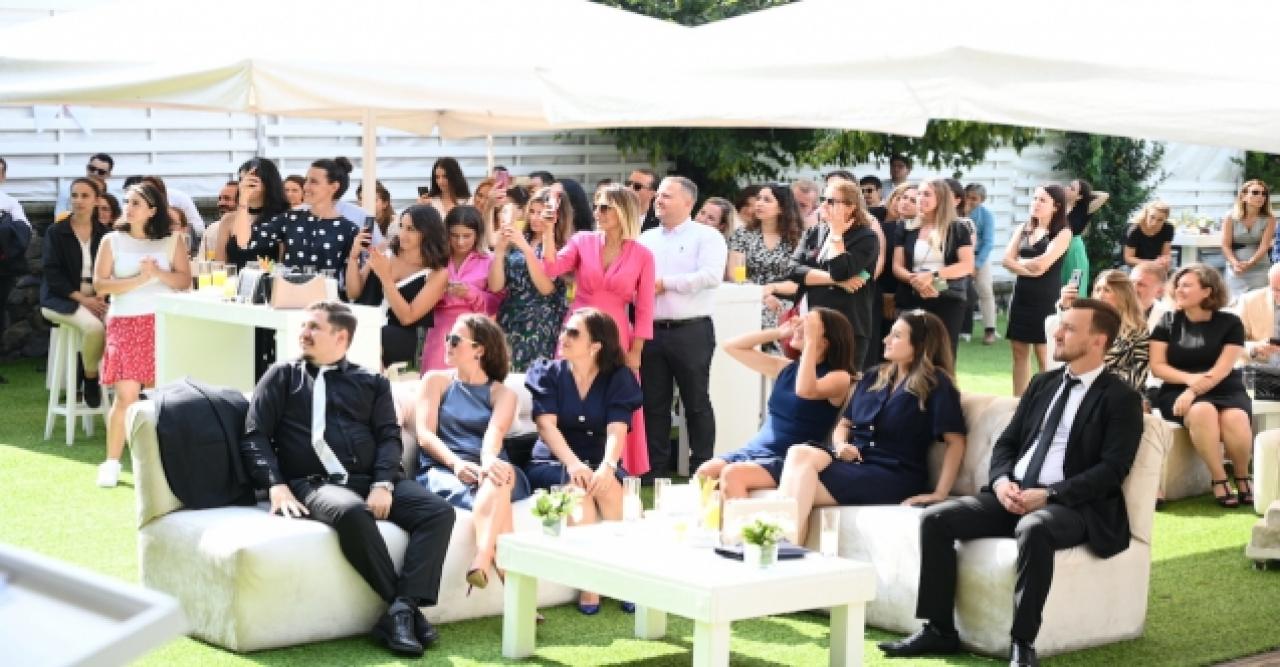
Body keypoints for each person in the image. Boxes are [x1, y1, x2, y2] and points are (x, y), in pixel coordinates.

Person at [879, 299, 1143, 667]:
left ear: (1098, 340)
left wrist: (1049, 495)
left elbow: (1112, 470)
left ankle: (1022, 642)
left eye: (1069, 328)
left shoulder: (1121, 398)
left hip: (1073, 505)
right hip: (1012, 494)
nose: (1057, 333)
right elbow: (1007, 443)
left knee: (1035, 528)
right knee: (936, 519)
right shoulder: (1043, 383)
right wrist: (1002, 482)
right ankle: (939, 629)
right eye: (1060, 325)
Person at [239, 301, 455, 657]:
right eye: (304, 325)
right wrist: (276, 485)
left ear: (341, 337)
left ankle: (401, 610)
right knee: (354, 513)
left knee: (438, 512)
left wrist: (383, 483)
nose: (304, 333)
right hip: (314, 482)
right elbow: (254, 435)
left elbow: (389, 437)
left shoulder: (372, 382)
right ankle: (404, 611)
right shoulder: (282, 376)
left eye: (314, 327)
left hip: (370, 479)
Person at [777, 309, 965, 545]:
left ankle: (782, 551)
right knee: (798, 454)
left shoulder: (937, 384)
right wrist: (840, 445)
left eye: (897, 336)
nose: (886, 340)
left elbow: (956, 441)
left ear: (920, 345)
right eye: (890, 333)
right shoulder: (874, 376)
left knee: (795, 490)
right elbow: (844, 423)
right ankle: (787, 549)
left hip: (892, 474)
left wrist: (940, 493)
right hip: (852, 463)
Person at [523, 308, 643, 614]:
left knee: (610, 488)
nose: (564, 336)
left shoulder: (618, 377)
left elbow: (617, 428)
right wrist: (574, 465)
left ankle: (624, 576)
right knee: (579, 494)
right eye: (565, 330)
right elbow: (546, 426)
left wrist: (608, 466)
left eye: (574, 333)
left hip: (598, 460)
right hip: (554, 462)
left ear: (595, 346)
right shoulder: (547, 372)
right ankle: (591, 585)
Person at [543, 184, 654, 476]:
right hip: (578, 327)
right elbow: (552, 269)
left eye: (605, 207)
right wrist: (548, 232)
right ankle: (566, 459)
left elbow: (645, 307)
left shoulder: (643, 255)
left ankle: (617, 463)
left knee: (615, 394)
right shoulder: (582, 240)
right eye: (596, 206)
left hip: (616, 333)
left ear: (623, 211)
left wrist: (637, 350)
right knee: (568, 388)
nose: (597, 212)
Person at [414, 314, 530, 591]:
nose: (447, 344)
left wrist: (487, 461)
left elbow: (495, 433)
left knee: (499, 476)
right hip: (444, 469)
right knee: (499, 491)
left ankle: (482, 557)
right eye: (448, 338)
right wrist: (457, 465)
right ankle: (515, 592)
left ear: (479, 349)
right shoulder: (435, 381)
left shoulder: (503, 394)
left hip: (490, 466)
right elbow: (424, 435)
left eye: (455, 340)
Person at [694, 308, 855, 499]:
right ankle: (721, 519)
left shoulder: (839, 377)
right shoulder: (786, 368)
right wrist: (780, 332)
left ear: (825, 341)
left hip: (788, 457)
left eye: (808, 325)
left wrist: (811, 342)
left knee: (733, 475)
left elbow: (805, 390)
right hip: (755, 450)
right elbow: (731, 346)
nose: (800, 326)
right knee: (705, 472)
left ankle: (746, 520)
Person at [92, 182, 191, 487]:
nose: (129, 208)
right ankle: (111, 463)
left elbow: (184, 281)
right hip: (124, 322)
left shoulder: (172, 240)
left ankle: (157, 463)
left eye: (136, 203)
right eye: (127, 202)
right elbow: (100, 285)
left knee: (157, 397)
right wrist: (139, 279)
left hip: (160, 322)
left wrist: (157, 274)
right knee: (126, 396)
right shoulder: (111, 240)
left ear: (152, 210)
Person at [638, 176, 726, 476]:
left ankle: (703, 467)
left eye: (667, 196)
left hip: (691, 330)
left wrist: (667, 284)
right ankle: (655, 469)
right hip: (651, 330)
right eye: (658, 195)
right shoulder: (646, 238)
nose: (658, 201)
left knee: (696, 402)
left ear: (688, 202)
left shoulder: (707, 237)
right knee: (654, 404)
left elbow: (711, 276)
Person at [1149, 264, 1253, 507]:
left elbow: (1222, 369)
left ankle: (1242, 476)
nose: (1178, 290)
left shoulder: (1231, 323)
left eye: (1186, 285)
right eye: (1177, 285)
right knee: (1202, 411)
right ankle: (1219, 478)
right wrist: (1189, 381)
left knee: (1235, 418)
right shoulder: (1167, 321)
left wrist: (1193, 390)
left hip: (1224, 386)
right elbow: (1158, 366)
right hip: (1176, 389)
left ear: (1207, 291)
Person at [771, 179, 881, 367]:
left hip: (846, 327)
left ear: (850, 207)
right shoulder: (815, 232)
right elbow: (792, 269)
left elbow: (840, 271)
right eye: (823, 199)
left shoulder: (866, 237)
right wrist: (835, 281)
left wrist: (837, 235)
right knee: (805, 381)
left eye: (831, 201)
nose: (823, 205)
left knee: (841, 382)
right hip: (809, 321)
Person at [346, 205, 449, 368]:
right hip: (367, 321)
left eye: (411, 229)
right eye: (401, 226)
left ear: (428, 232)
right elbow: (353, 292)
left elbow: (407, 318)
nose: (402, 234)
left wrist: (386, 278)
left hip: (403, 333)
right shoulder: (385, 250)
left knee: (372, 336)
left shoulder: (437, 273)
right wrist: (353, 256)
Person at [40, 177, 109, 407]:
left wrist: (100, 296)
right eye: (75, 195)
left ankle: (123, 384)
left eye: (85, 196)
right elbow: (52, 274)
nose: (78, 200)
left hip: (97, 298)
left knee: (120, 322)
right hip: (60, 300)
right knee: (94, 328)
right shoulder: (55, 232)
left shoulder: (105, 233)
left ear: (97, 200)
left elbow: (111, 270)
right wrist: (84, 300)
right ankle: (90, 378)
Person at [491, 188, 572, 372]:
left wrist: (526, 249)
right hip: (510, 318)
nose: (535, 218)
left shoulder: (561, 246)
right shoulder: (520, 238)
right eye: (532, 212)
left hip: (541, 323)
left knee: (536, 378)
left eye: (541, 213)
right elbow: (495, 286)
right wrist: (500, 251)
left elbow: (546, 289)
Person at [1003, 184, 1073, 396]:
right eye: (1035, 198)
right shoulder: (1023, 228)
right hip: (1021, 296)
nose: (1036, 203)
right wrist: (1029, 268)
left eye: (1042, 200)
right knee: (1019, 352)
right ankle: (1018, 402)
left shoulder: (1063, 233)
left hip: (1045, 298)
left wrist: (1019, 264)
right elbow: (1006, 260)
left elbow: (1043, 264)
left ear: (1056, 206)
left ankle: (1045, 402)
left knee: (1044, 354)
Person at [893, 179, 975, 357]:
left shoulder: (958, 228)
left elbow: (967, 265)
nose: (920, 198)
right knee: (910, 353)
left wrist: (932, 277)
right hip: (912, 295)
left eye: (927, 194)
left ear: (941, 198)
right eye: (919, 194)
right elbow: (897, 266)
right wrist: (916, 281)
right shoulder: (906, 227)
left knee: (942, 354)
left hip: (947, 297)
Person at [420, 206, 498, 373]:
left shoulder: (489, 260)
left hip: (474, 334)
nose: (460, 242)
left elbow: (496, 303)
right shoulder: (436, 259)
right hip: (439, 333)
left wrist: (470, 293)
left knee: (470, 383)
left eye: (467, 236)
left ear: (478, 234)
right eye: (454, 235)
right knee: (435, 381)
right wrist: (437, 292)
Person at [254, 158, 359, 274]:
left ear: (334, 187)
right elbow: (249, 240)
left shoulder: (349, 229)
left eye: (313, 181)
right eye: (306, 180)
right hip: (288, 285)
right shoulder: (290, 218)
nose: (305, 187)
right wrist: (244, 201)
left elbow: (352, 278)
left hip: (327, 286)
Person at [1059, 269, 1152, 392]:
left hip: (1118, 391)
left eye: (1107, 290)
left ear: (1123, 295)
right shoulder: (1084, 323)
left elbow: (1139, 373)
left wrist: (1099, 386)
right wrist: (1066, 308)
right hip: (1079, 386)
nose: (1100, 295)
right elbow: (1067, 357)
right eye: (1097, 290)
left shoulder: (1138, 330)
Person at [732, 183, 803, 336]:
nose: (759, 203)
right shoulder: (742, 234)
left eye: (767, 200)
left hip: (784, 300)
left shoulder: (797, 239)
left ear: (782, 208)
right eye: (758, 198)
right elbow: (736, 274)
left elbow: (799, 282)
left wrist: (772, 289)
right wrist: (761, 294)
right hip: (748, 296)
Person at [214, 158, 290, 269]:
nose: (244, 186)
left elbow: (284, 262)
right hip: (234, 278)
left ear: (267, 183)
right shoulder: (229, 219)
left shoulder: (282, 219)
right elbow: (219, 264)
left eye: (251, 181)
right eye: (241, 180)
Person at [1222, 179, 1276, 298]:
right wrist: (1235, 264)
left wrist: (1250, 263)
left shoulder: (1269, 219)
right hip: (1235, 266)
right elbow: (1225, 245)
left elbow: (1264, 246)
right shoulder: (1230, 217)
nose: (1260, 196)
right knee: (1234, 302)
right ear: (1243, 196)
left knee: (1258, 301)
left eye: (1264, 194)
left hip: (1260, 266)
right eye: (1255, 192)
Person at [965, 184, 999, 345]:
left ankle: (990, 330)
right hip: (958, 256)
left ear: (982, 200)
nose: (969, 201)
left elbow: (988, 242)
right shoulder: (956, 212)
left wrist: (977, 265)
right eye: (967, 197)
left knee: (985, 290)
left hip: (980, 256)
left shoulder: (986, 216)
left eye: (974, 198)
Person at [1061, 178, 1108, 289]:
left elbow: (1104, 196)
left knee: (1075, 285)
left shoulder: (1085, 208)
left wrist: (1087, 194)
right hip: (1058, 249)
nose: (1067, 188)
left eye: (1072, 188)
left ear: (1079, 196)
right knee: (1058, 285)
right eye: (1068, 185)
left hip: (1074, 250)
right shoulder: (1057, 207)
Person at [1235, 263, 1280, 364]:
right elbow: (1231, 342)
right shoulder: (1249, 301)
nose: (1278, 294)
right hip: (1260, 367)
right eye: (1275, 289)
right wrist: (1254, 348)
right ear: (1269, 284)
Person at [1123, 200, 1174, 269]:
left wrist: (1164, 261)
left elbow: (1165, 255)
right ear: (1146, 214)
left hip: (1157, 266)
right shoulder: (1134, 230)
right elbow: (1128, 259)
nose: (1154, 223)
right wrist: (1152, 263)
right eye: (1152, 217)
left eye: (1160, 220)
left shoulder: (1168, 229)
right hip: (1135, 267)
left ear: (1165, 219)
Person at [1131, 260, 1170, 330]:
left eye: (1140, 284)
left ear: (1159, 292)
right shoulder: (1114, 311)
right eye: (1131, 282)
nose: (1133, 288)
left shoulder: (1168, 319)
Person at [355, 180, 394, 249]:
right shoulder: (355, 223)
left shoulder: (394, 226)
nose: (364, 203)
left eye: (373, 200)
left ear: (385, 203)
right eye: (361, 199)